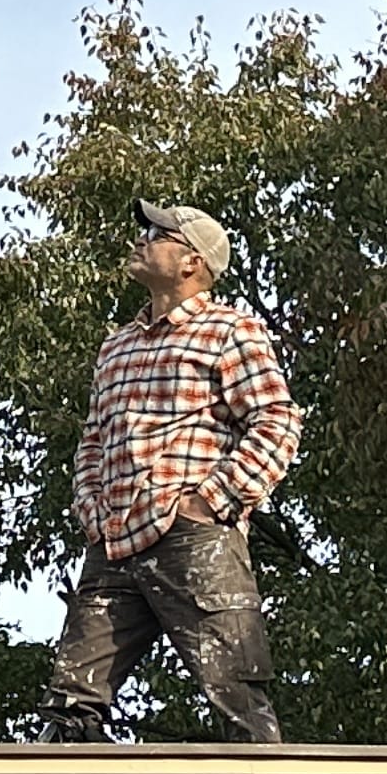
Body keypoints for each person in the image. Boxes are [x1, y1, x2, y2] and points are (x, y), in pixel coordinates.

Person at [44, 198, 302, 743]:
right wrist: (91, 509)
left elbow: (277, 420)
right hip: (114, 540)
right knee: (72, 701)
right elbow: (94, 440)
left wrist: (209, 502)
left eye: (157, 234)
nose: (141, 241)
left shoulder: (230, 330)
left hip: (194, 538)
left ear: (192, 262)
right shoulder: (117, 346)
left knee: (237, 693)